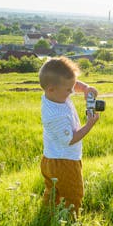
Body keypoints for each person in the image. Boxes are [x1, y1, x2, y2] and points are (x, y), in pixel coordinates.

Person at [38, 56, 100, 216]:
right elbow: (70, 139)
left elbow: (70, 83)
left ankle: (46, 216)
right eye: (69, 89)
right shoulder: (55, 115)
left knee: (53, 192)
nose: (72, 91)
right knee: (73, 194)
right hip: (65, 162)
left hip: (50, 159)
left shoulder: (53, 95)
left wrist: (85, 88)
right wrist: (89, 125)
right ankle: (71, 224)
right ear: (52, 88)